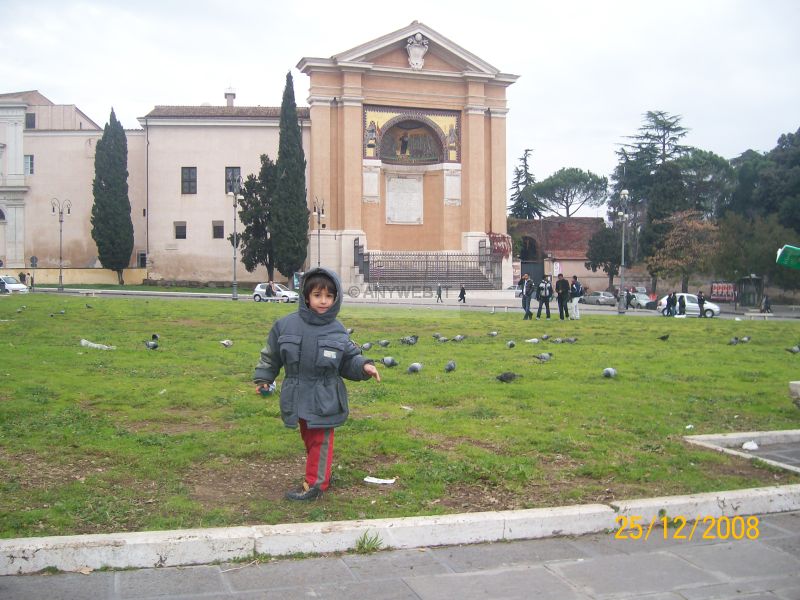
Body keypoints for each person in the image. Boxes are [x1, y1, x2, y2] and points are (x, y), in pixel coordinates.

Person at [252, 268, 381, 501]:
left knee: (321, 440)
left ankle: (316, 484)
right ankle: (315, 474)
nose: (324, 301)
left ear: (336, 298)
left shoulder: (338, 330)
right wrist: (264, 377)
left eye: (329, 296)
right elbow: (271, 355)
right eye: (318, 295)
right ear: (306, 296)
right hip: (297, 395)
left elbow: (349, 358)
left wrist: (364, 366)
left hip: (325, 397)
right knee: (310, 438)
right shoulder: (285, 325)